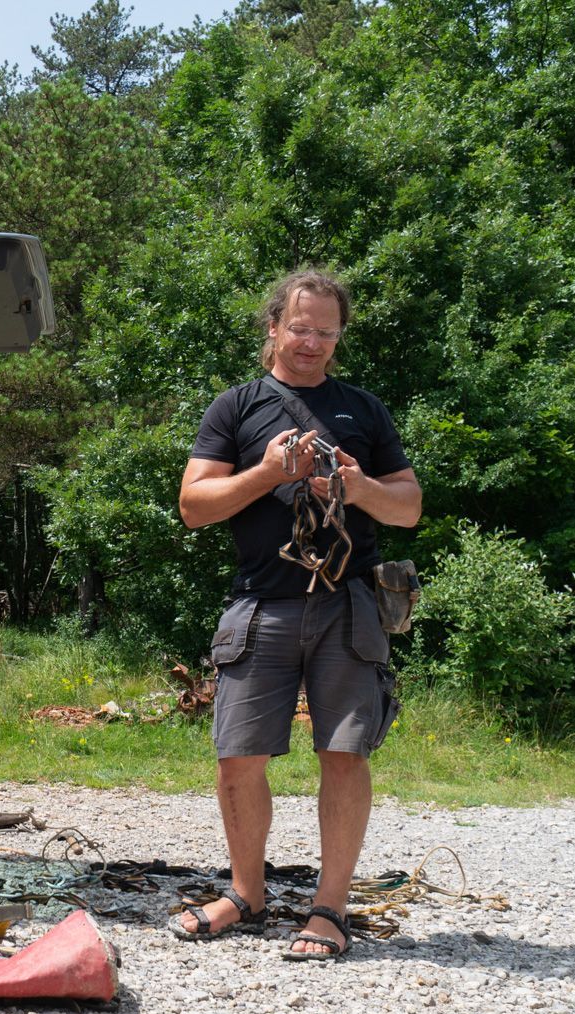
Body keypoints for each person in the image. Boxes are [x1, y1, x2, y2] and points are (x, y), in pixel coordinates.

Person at [171, 269, 421, 960]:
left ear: (339, 337)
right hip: (261, 603)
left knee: (345, 754)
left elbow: (409, 506)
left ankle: (329, 911)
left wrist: (360, 486)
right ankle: (244, 896)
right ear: (274, 326)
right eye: (300, 327)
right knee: (237, 756)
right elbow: (194, 506)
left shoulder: (363, 410)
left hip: (348, 606)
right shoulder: (237, 406)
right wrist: (267, 474)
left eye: (326, 331)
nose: (311, 342)